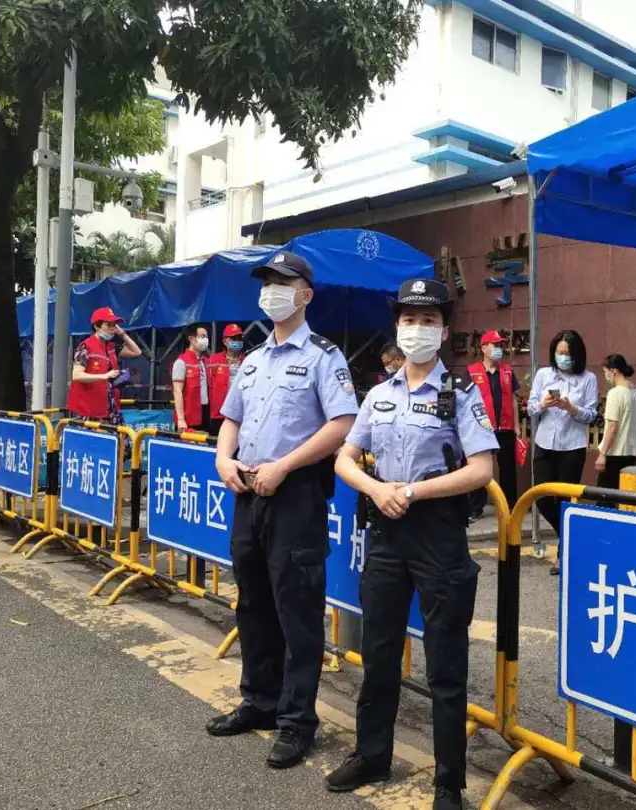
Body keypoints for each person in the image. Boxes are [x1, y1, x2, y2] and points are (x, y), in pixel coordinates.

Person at [324, 278, 497, 810]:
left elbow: (482, 469)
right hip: (385, 531)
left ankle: (449, 782)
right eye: (408, 319)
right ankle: (371, 754)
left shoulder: (461, 393)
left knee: (445, 662)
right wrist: (377, 490)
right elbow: (344, 459)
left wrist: (413, 492)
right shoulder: (378, 394)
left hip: (437, 533)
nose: (416, 328)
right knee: (379, 652)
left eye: (428, 320)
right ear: (397, 327)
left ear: (443, 331)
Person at [208, 251, 358, 770]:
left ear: (305, 295)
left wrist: (285, 466)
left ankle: (296, 720)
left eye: (282, 282)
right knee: (253, 602)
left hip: (295, 494)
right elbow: (231, 418)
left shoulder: (324, 356)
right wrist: (223, 459)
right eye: (266, 282)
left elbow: (342, 424)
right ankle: (260, 701)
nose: (271, 290)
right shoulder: (252, 359)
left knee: (296, 610)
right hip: (248, 491)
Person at [526, 329, 598, 575]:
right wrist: (542, 404)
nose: (563, 357)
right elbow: (531, 408)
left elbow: (591, 414)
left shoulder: (588, 379)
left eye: (567, 353)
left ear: (577, 355)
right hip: (545, 442)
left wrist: (571, 408)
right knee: (543, 498)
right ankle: (572, 537)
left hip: (572, 446)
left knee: (566, 500)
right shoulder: (544, 374)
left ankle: (563, 553)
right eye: (559, 352)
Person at [468, 329, 521, 513]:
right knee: (479, 469)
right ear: (484, 348)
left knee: (508, 469)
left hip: (505, 428)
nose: (499, 349)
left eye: (501, 345)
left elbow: (513, 400)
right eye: (495, 345)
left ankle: (510, 506)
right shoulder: (472, 372)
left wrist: (516, 427)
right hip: (482, 429)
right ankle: (476, 508)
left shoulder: (507, 371)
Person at [67, 307, 143, 425]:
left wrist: (122, 335)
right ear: (96, 326)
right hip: (89, 409)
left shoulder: (111, 347)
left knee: (120, 435)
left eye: (114, 325)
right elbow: (77, 375)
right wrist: (104, 376)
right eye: (108, 325)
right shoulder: (85, 346)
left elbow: (136, 352)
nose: (112, 329)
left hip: (110, 405)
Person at [594, 354, 636, 489]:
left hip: (614, 453)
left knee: (605, 496)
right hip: (631, 452)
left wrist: (602, 454)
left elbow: (612, 426)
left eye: (605, 372)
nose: (605, 375)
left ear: (614, 371)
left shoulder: (615, 393)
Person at [172, 324, 214, 433]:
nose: (206, 340)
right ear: (191, 339)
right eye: (202, 336)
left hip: (205, 414)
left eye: (207, 337)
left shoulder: (207, 361)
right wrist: (181, 419)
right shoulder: (181, 362)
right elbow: (177, 391)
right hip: (189, 417)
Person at [209, 324, 245, 435]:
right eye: (233, 338)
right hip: (219, 414)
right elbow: (208, 384)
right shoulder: (214, 359)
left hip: (241, 414)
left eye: (239, 338)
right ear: (225, 341)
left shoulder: (247, 360)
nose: (237, 341)